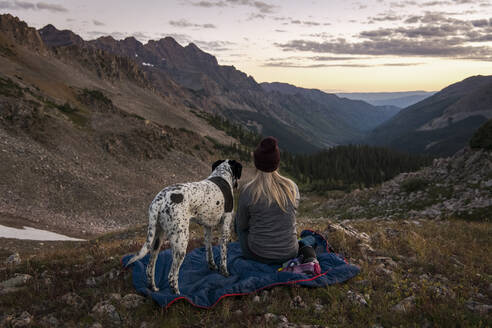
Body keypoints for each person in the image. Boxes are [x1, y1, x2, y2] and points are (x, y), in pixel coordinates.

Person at [234, 136, 303, 264]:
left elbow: (242, 225)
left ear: (256, 163)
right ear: (277, 162)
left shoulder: (248, 191)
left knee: (237, 222)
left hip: (259, 255)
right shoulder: (292, 187)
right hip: (290, 253)